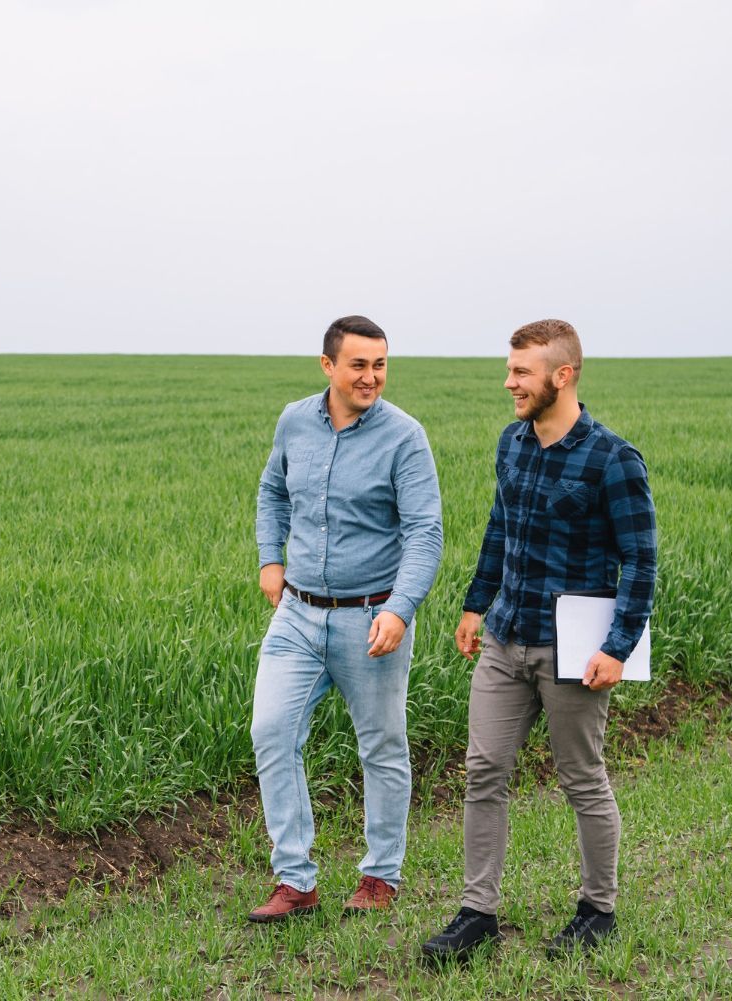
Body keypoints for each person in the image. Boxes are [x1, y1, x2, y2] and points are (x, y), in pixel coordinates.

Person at [421, 319, 657, 959]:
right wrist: (475, 605)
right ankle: (477, 915)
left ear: (564, 374)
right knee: (483, 770)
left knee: (582, 777)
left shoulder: (613, 459)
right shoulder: (513, 443)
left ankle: (597, 911)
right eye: (510, 369)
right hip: (506, 636)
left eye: (522, 372)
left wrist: (618, 645)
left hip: (572, 649)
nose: (509, 382)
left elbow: (639, 560)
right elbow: (501, 527)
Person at [248, 315, 444, 922]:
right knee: (272, 732)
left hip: (370, 619)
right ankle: (296, 881)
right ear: (328, 365)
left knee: (382, 747)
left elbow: (425, 533)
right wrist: (270, 559)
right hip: (298, 615)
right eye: (359, 364)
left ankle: (380, 876)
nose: (372, 377)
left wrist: (400, 609)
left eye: (380, 364)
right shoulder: (294, 421)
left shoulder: (404, 437)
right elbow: (272, 491)